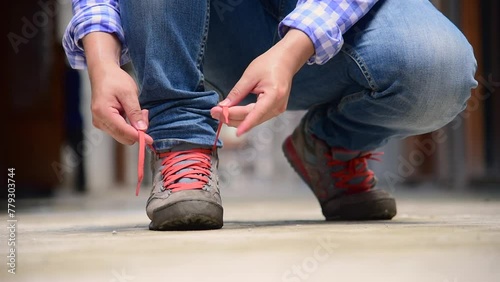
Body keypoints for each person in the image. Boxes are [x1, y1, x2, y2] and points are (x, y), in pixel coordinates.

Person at [63, 0, 477, 231]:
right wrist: (102, 57)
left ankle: (330, 148)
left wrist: (294, 47)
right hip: (195, 21)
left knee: (437, 69)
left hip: (320, 16)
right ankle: (181, 138)